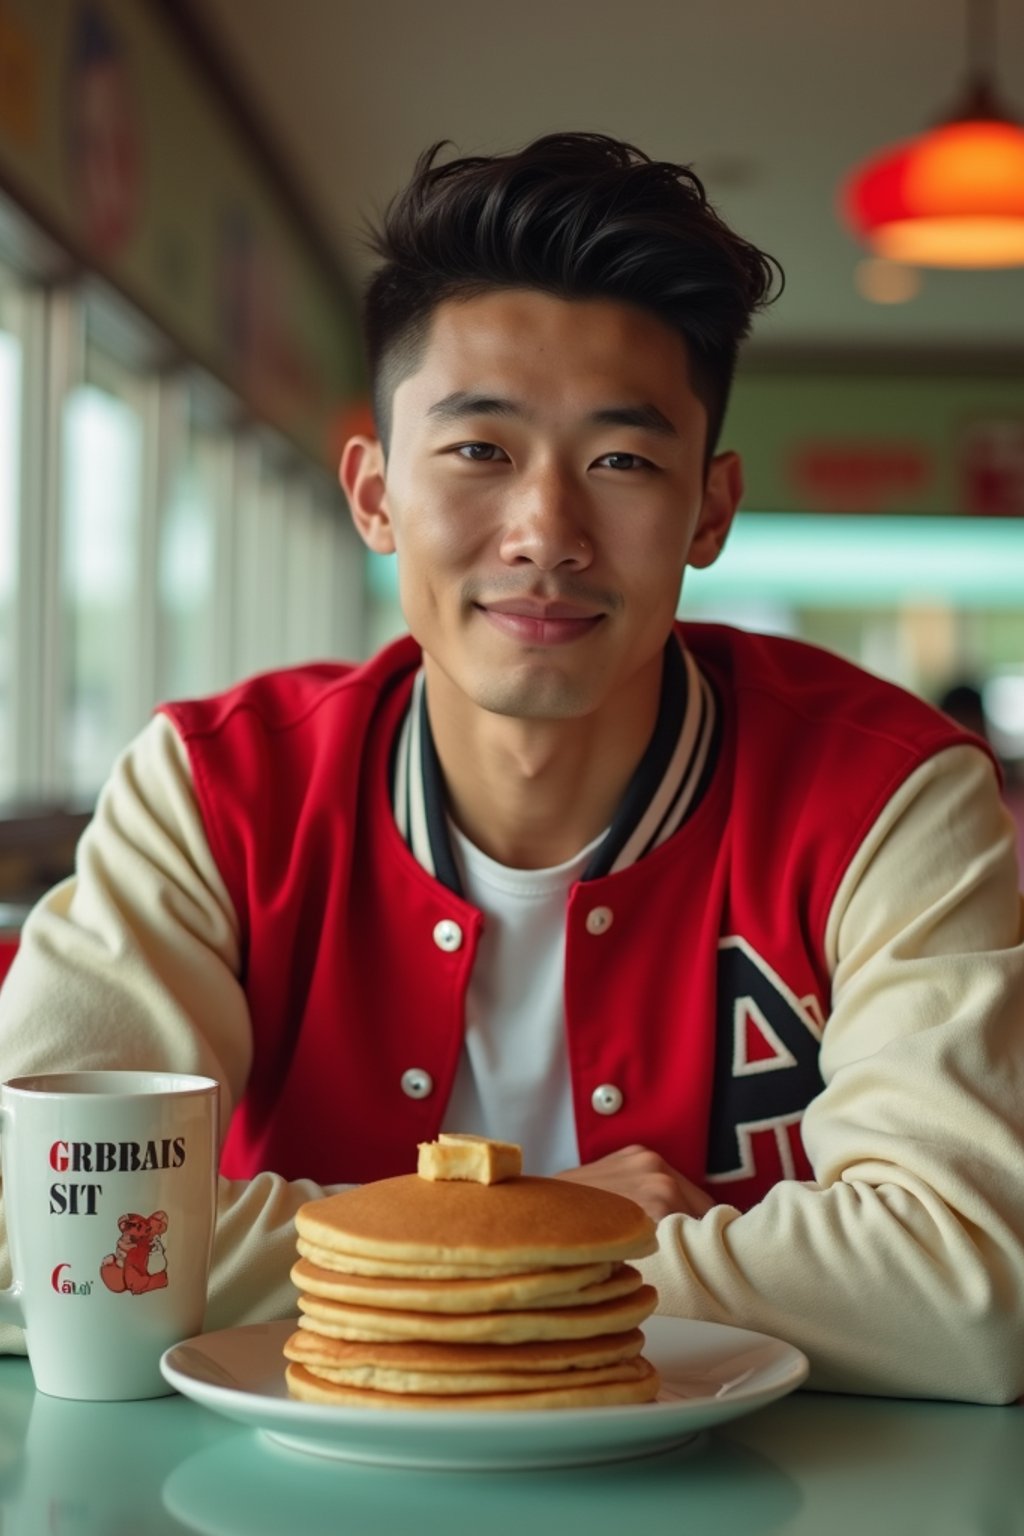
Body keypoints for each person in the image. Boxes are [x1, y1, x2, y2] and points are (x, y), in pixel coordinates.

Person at [2, 133, 1023, 1402]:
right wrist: (527, 1230)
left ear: (709, 510)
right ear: (374, 495)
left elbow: (970, 1288)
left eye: (622, 461)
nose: (546, 532)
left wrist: (417, 1261)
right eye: (480, 450)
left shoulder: (889, 796)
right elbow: (34, 1224)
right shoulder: (217, 790)